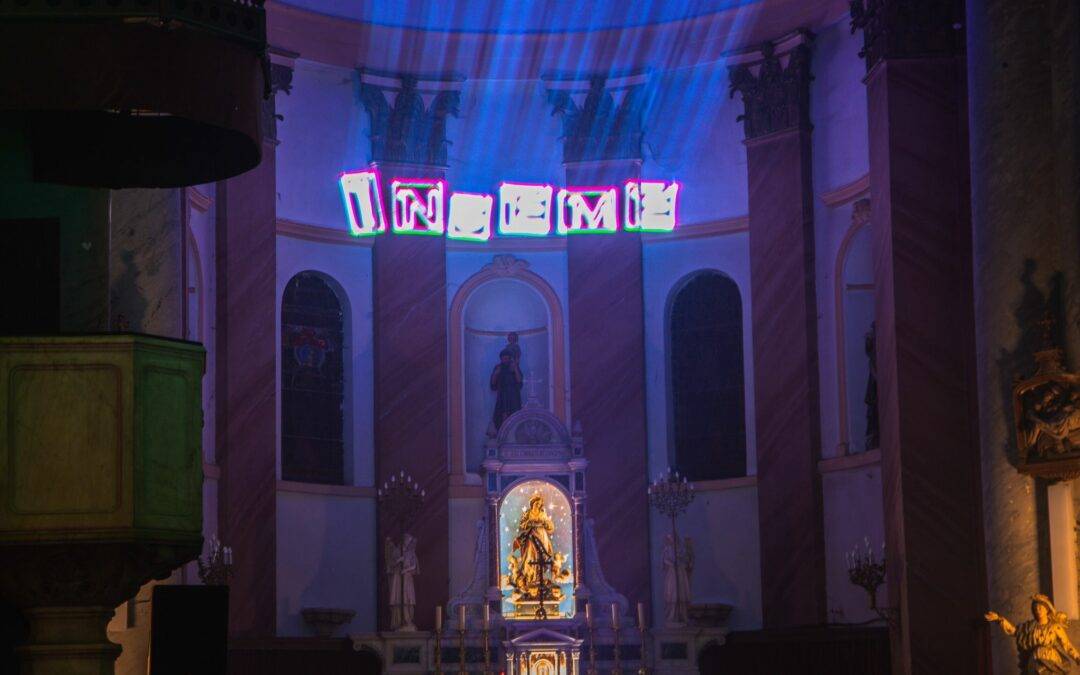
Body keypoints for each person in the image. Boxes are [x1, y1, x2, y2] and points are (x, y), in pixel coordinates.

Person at [986, 594, 1080, 674]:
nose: (1038, 610)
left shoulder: (1055, 627)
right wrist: (999, 619)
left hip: (1050, 660)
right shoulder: (1028, 627)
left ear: (1046, 609)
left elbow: (1067, 645)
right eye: (1035, 608)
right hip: (1034, 660)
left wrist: (1077, 657)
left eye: (1040, 608)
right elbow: (1013, 631)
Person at [386, 534, 419, 630]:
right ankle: (399, 621)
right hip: (398, 578)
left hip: (407, 578)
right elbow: (391, 564)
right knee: (400, 598)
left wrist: (406, 569)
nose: (408, 543)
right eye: (407, 541)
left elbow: (414, 566)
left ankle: (408, 620)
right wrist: (398, 560)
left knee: (409, 599)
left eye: (410, 541)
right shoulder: (397, 551)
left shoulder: (411, 553)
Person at [491, 342, 523, 428]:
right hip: (502, 397)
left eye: (507, 358)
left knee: (515, 418)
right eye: (503, 359)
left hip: (514, 397)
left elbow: (520, 382)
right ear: (501, 359)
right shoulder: (498, 367)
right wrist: (496, 374)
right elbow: (493, 385)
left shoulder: (514, 367)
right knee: (500, 418)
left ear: (510, 359)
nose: (505, 360)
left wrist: (515, 368)